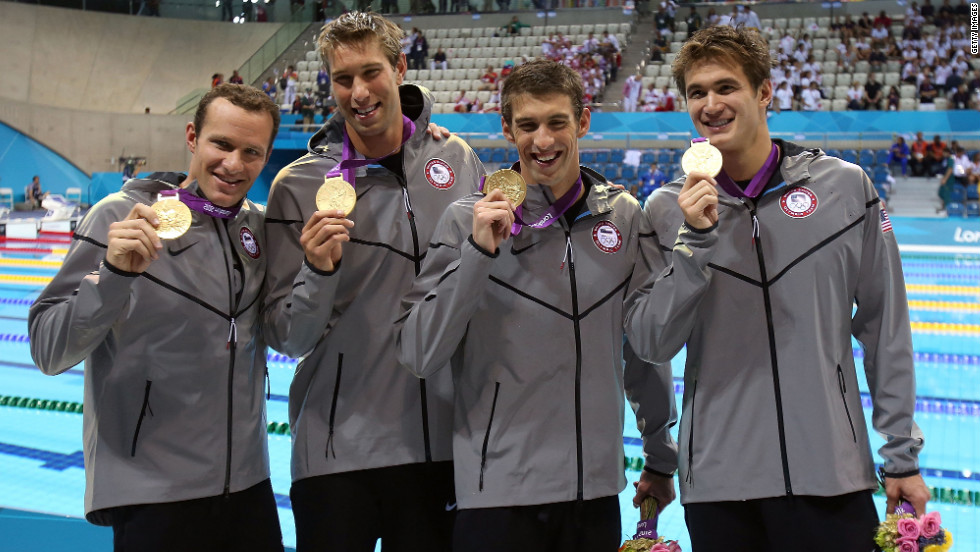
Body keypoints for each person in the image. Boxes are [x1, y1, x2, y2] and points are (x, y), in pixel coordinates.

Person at [625, 25, 930, 552]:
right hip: (719, 485)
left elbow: (885, 325)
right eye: (697, 93)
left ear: (764, 92)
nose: (711, 104)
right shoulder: (663, 210)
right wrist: (695, 243)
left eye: (726, 87)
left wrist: (900, 453)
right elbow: (651, 343)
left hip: (831, 475)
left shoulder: (844, 188)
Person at [396, 58, 677, 552]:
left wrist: (659, 455)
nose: (542, 141)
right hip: (496, 495)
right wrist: (479, 254)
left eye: (556, 123)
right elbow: (420, 353)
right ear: (506, 128)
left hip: (593, 494)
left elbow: (643, 350)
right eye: (527, 125)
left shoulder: (625, 217)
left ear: (583, 122)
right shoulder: (466, 220)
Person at [261, 12, 485, 552]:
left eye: (371, 73)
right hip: (337, 451)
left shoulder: (455, 160)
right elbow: (285, 336)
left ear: (400, 68)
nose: (359, 92)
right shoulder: (298, 187)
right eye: (343, 79)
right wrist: (319, 270)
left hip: (440, 446)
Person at [28, 84, 284, 551]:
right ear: (192, 136)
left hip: (248, 485)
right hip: (153, 490)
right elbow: (48, 349)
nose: (234, 164)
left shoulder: (259, 227)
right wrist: (112, 276)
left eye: (252, 152)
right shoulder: (121, 216)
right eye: (221, 144)